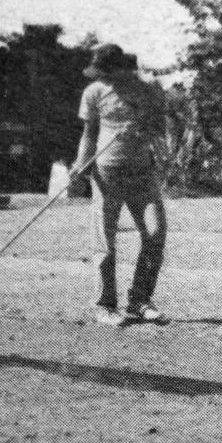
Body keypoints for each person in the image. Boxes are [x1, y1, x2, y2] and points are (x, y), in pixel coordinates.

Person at [71, 43, 169, 326]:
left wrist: (140, 129)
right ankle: (105, 305)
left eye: (107, 72)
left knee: (155, 232)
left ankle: (139, 301)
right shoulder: (94, 92)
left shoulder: (148, 89)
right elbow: (88, 134)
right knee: (105, 240)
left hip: (142, 172)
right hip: (106, 173)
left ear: (122, 69)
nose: (102, 77)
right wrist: (80, 162)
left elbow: (159, 127)